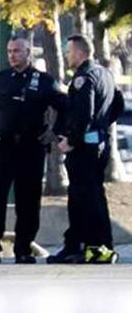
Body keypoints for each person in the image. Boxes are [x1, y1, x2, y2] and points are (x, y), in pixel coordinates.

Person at [0, 37, 67, 264]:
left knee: (28, 200)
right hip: (2, 146)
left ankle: (23, 247)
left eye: (17, 51)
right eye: (9, 51)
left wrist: (54, 131)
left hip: (30, 147)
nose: (12, 55)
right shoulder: (0, 79)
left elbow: (63, 106)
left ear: (28, 52)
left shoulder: (44, 81)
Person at [49, 34, 121, 264]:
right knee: (93, 196)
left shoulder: (83, 78)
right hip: (98, 144)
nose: (67, 55)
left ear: (80, 53)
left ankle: (85, 247)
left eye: (69, 51)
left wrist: (71, 140)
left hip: (83, 149)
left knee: (82, 199)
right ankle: (92, 246)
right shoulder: (105, 74)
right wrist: (101, 127)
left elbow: (83, 114)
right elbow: (117, 105)